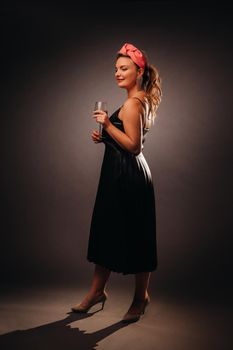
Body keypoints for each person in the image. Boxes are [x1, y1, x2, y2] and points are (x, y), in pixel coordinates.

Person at [71, 43, 162, 323]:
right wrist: (107, 139)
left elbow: (134, 147)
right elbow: (127, 142)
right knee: (107, 230)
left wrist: (108, 127)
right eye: (116, 69)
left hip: (129, 177)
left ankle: (140, 298)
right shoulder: (138, 99)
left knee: (136, 236)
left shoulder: (134, 103)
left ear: (139, 71)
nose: (117, 73)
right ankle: (97, 292)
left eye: (124, 68)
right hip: (120, 175)